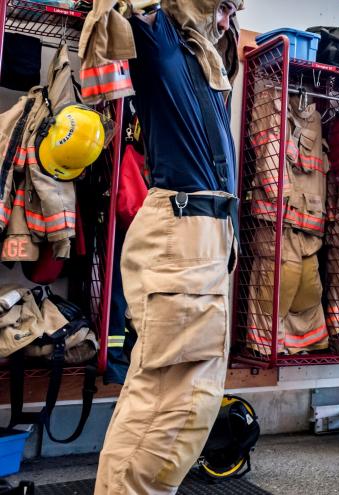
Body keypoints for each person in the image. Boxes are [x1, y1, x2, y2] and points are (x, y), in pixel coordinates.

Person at [79, 1, 243, 493]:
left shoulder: (202, 58)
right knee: (166, 400)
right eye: (222, 6)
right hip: (182, 228)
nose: (227, 18)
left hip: (208, 236)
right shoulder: (158, 33)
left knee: (189, 402)